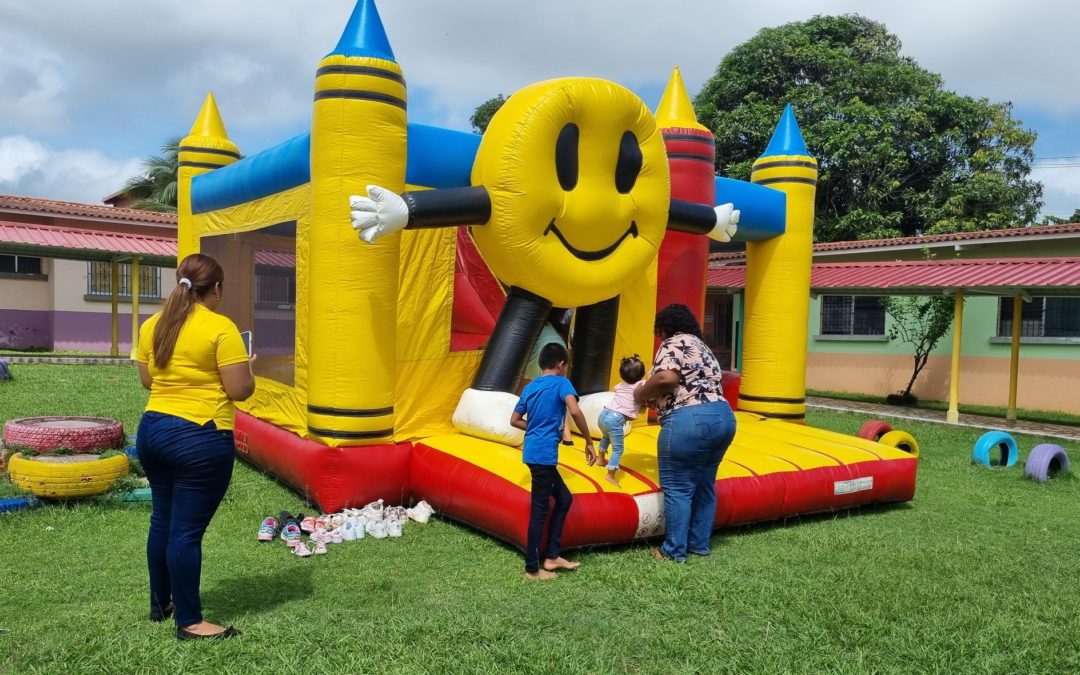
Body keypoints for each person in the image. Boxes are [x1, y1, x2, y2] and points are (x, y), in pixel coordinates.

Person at [135, 253, 255, 640]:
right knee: (185, 533)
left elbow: (149, 382)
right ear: (216, 289)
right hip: (199, 437)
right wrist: (245, 367)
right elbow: (240, 391)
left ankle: (161, 603)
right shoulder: (221, 328)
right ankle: (189, 621)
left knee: (163, 522)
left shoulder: (152, 325)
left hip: (153, 430)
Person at [634, 304, 736, 563]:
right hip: (723, 417)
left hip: (689, 419)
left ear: (665, 328)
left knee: (678, 487)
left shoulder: (672, 342)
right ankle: (699, 545)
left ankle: (673, 551)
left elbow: (666, 379)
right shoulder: (703, 347)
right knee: (704, 485)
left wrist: (642, 393)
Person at [510, 342, 597, 580]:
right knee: (539, 510)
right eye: (566, 365)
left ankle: (552, 556)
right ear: (561, 365)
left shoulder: (531, 387)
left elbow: (514, 420)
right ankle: (531, 569)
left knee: (564, 498)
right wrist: (589, 441)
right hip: (544, 455)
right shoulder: (561, 383)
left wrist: (535, 427)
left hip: (532, 453)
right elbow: (575, 411)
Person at [522, 308, 575, 444]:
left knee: (525, 391)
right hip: (559, 351)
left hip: (543, 354)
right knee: (560, 395)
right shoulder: (553, 328)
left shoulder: (534, 324)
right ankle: (567, 436)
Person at [597, 354, 646, 487]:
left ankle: (600, 459)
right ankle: (610, 475)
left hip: (603, 414)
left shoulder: (619, 385)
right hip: (615, 419)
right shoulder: (641, 384)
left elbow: (618, 391)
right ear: (642, 374)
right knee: (618, 449)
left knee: (606, 436)